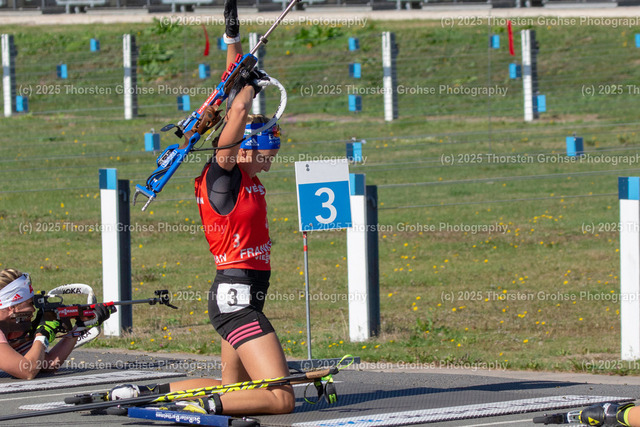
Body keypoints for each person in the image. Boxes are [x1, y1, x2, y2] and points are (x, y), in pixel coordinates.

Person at [109, 0, 292, 416]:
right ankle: (204, 406)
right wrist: (250, 84)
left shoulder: (242, 175)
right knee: (280, 399)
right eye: (268, 151)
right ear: (244, 147)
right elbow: (238, 107)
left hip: (243, 293)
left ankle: (141, 392)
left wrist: (233, 39)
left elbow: (232, 89)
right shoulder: (222, 174)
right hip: (236, 297)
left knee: (234, 387)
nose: (271, 159)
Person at [0, 268, 110, 379]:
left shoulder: (12, 328)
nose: (33, 309)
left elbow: (47, 364)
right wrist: (42, 335)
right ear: (12, 306)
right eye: (30, 303)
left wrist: (80, 327)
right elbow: (27, 371)